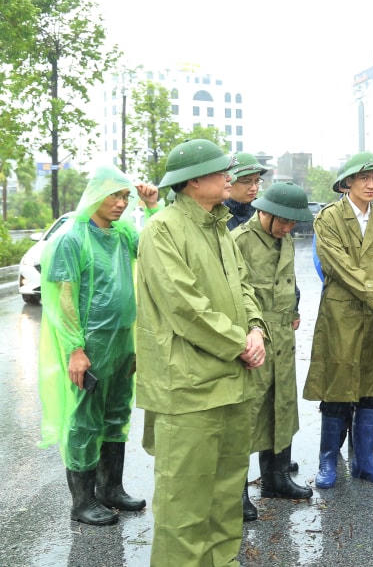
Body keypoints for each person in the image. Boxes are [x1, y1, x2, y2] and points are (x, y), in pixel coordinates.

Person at [135, 139, 269, 566]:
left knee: (226, 501)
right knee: (184, 508)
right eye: (219, 171)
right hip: (188, 390)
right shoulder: (163, 229)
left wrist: (255, 328)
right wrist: (239, 344)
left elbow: (244, 286)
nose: (229, 177)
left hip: (232, 386)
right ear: (192, 181)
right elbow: (184, 306)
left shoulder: (219, 227)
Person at [38, 165, 159, 526]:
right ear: (95, 195)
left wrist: (152, 207)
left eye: (126, 196)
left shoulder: (122, 235)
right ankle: (82, 502)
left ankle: (111, 489)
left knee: (116, 415)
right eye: (115, 196)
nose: (122, 203)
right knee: (84, 422)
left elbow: (157, 249)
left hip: (122, 343)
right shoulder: (72, 239)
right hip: (89, 347)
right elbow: (65, 299)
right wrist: (75, 348)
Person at [304, 152, 373, 488]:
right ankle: (328, 462)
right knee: (338, 386)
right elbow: (338, 266)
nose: (371, 185)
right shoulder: (328, 218)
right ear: (347, 182)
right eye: (364, 178)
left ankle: (365, 460)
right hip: (341, 314)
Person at [231, 182, 314, 519]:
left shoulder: (287, 238)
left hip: (283, 338)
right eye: (282, 221)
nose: (287, 227)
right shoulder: (239, 241)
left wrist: (294, 310)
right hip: (253, 339)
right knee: (247, 413)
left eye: (293, 222)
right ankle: (234, 493)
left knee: (281, 405)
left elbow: (289, 282)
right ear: (263, 210)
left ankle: (276, 478)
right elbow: (233, 293)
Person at [224, 152, 267, 231]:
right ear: (229, 181)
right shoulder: (214, 215)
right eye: (246, 181)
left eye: (257, 181)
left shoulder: (265, 214)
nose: (254, 188)